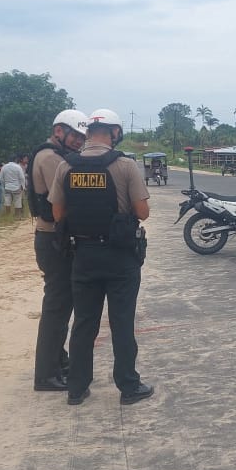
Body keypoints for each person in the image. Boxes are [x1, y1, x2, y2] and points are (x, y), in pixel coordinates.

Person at [49, 108, 152, 406]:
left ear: (87, 133)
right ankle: (128, 387)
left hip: (83, 255)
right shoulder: (125, 165)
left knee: (84, 323)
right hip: (121, 257)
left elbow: (58, 213)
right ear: (115, 133)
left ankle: (77, 388)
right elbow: (143, 212)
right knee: (121, 323)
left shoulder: (66, 165)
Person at [26, 109, 88, 392]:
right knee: (57, 307)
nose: (78, 141)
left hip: (52, 238)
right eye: (75, 135)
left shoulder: (52, 154)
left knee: (61, 304)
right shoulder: (51, 158)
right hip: (53, 238)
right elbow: (63, 200)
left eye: (82, 137)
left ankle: (58, 360)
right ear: (59, 131)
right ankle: (46, 373)